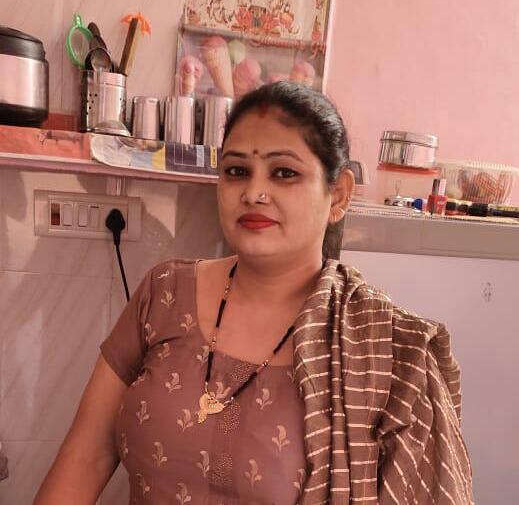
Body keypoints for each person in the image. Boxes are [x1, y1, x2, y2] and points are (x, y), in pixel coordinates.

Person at [33, 81, 474, 505]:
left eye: (284, 173)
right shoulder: (163, 295)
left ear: (338, 195)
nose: (254, 192)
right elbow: (86, 459)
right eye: (237, 171)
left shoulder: (386, 350)